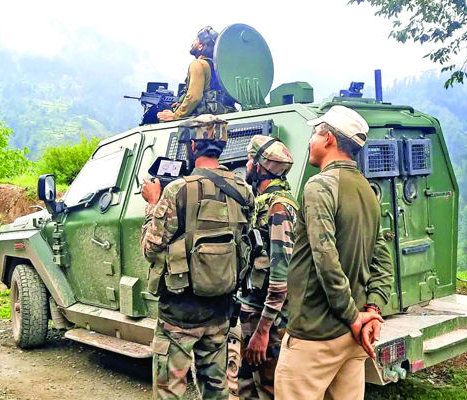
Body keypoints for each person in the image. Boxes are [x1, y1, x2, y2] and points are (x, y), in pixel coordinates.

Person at [274, 105, 394, 400]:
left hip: (316, 334)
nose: (310, 141)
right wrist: (372, 311)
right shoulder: (367, 189)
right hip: (353, 337)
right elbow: (382, 259)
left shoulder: (319, 186)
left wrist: (353, 316)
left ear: (328, 139)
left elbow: (325, 258)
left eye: (315, 134)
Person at [140, 114, 254, 400]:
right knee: (216, 389)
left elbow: (150, 248)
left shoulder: (177, 190)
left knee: (170, 391)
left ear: (192, 146)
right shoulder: (243, 191)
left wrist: (153, 203)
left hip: (180, 311)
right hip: (221, 307)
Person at [236, 135, 298, 399]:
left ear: (259, 165)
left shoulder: (278, 207)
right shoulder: (263, 202)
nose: (247, 164)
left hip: (269, 322)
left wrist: (263, 331)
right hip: (254, 313)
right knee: (246, 386)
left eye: (250, 159)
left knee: (269, 389)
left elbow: (281, 274)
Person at [157, 26, 236, 122]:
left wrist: (176, 116)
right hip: (225, 117)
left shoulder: (198, 64)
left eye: (196, 40)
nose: (193, 42)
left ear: (200, 46)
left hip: (204, 122)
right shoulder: (221, 69)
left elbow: (194, 97)